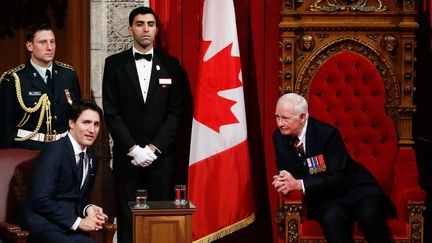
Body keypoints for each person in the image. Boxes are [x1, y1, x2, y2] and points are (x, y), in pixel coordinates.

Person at [102, 6, 187, 243]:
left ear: (157, 29)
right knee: (128, 223)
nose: (145, 29)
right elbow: (112, 112)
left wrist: (151, 149)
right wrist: (133, 149)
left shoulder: (172, 65)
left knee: (159, 223)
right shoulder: (114, 64)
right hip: (127, 159)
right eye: (140, 24)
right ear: (130, 29)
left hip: (160, 161)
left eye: (150, 24)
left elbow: (175, 113)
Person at [272, 93, 392, 243]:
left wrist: (299, 184)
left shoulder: (327, 134)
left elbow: (337, 177)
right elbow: (285, 170)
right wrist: (282, 181)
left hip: (357, 191)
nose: (280, 123)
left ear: (302, 117)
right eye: (277, 117)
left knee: (370, 218)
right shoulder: (279, 137)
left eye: (285, 118)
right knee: (331, 219)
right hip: (326, 198)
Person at [17, 100, 107, 243]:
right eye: (86, 122)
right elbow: (41, 200)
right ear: (71, 123)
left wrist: (88, 209)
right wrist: (79, 222)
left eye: (96, 124)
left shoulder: (92, 158)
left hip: (67, 228)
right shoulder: (54, 150)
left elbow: (75, 198)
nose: (92, 130)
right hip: (43, 226)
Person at [0, 19, 81, 150]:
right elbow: (5, 128)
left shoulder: (68, 75)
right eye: (43, 42)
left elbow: (77, 117)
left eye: (52, 42)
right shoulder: (14, 79)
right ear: (29, 46)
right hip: (29, 150)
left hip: (63, 149)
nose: (49, 47)